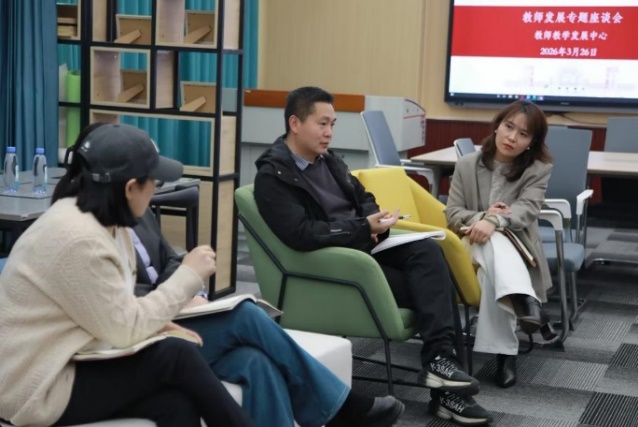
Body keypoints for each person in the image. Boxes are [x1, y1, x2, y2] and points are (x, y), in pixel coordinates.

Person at [253, 86, 493, 426]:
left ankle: (441, 365)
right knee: (433, 287)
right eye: (322, 124)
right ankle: (446, 392)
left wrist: (372, 219)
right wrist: (362, 227)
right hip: (340, 263)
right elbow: (302, 234)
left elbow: (363, 196)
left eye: (332, 124)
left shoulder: (329, 160)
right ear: (295, 123)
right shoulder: (273, 175)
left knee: (429, 251)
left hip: (364, 247)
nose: (329, 132)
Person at [0, 123, 253, 427]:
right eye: (153, 182)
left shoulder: (102, 222)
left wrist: (156, 325)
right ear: (131, 188)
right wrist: (188, 276)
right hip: (33, 385)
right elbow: (124, 329)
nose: (155, 189)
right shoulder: (80, 238)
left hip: (66, 361)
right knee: (176, 356)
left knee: (175, 404)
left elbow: (112, 310)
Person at [131, 207, 405, 427]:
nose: (156, 184)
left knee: (255, 362)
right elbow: (121, 306)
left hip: (176, 317)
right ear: (129, 185)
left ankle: (339, 409)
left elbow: (170, 259)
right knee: (245, 314)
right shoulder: (106, 232)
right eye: (149, 178)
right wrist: (179, 290)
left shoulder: (139, 212)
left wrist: (191, 292)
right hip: (143, 339)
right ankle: (340, 408)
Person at [445, 100, 556, 389]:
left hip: (517, 251)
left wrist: (494, 222)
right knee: (489, 239)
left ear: (532, 142)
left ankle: (507, 348)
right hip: (469, 245)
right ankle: (524, 303)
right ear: (497, 126)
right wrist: (483, 218)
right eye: (509, 127)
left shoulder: (538, 169)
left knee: (491, 268)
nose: (512, 137)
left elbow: (526, 210)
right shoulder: (467, 164)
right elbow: (452, 214)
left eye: (523, 134)